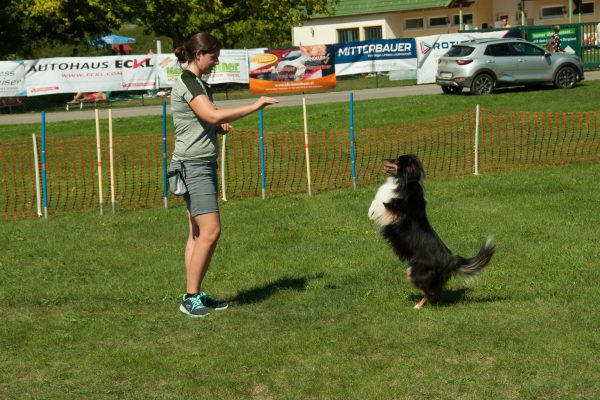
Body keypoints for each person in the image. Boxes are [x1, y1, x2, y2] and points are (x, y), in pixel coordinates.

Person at [170, 32, 278, 317]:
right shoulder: (188, 82)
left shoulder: (199, 84)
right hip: (193, 165)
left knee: (196, 233)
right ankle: (191, 297)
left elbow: (206, 120)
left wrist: (216, 129)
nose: (216, 62)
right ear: (198, 55)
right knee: (211, 231)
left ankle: (193, 294)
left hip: (199, 163)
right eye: (213, 56)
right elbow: (213, 115)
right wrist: (256, 105)